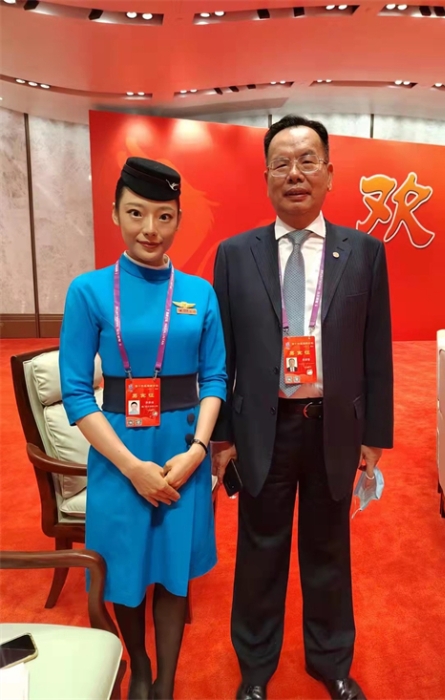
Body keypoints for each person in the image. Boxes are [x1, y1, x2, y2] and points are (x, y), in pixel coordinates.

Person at [212, 115, 394, 700]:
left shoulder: (364, 252)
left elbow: (376, 350)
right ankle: (255, 669)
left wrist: (375, 435)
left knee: (328, 550)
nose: (295, 174)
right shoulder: (234, 255)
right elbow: (222, 355)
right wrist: (223, 436)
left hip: (332, 426)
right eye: (282, 163)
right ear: (266, 176)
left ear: (330, 173)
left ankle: (331, 662)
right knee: (259, 551)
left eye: (308, 160)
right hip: (262, 427)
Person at [59, 157, 227, 700]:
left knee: (174, 571)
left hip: (181, 453)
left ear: (178, 219)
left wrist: (198, 451)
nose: (149, 229)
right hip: (119, 455)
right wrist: (132, 468)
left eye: (164, 216)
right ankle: (141, 667)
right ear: (114, 213)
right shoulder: (87, 291)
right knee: (125, 569)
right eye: (135, 213)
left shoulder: (200, 292)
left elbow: (215, 378)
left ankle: (167, 681)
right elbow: (76, 392)